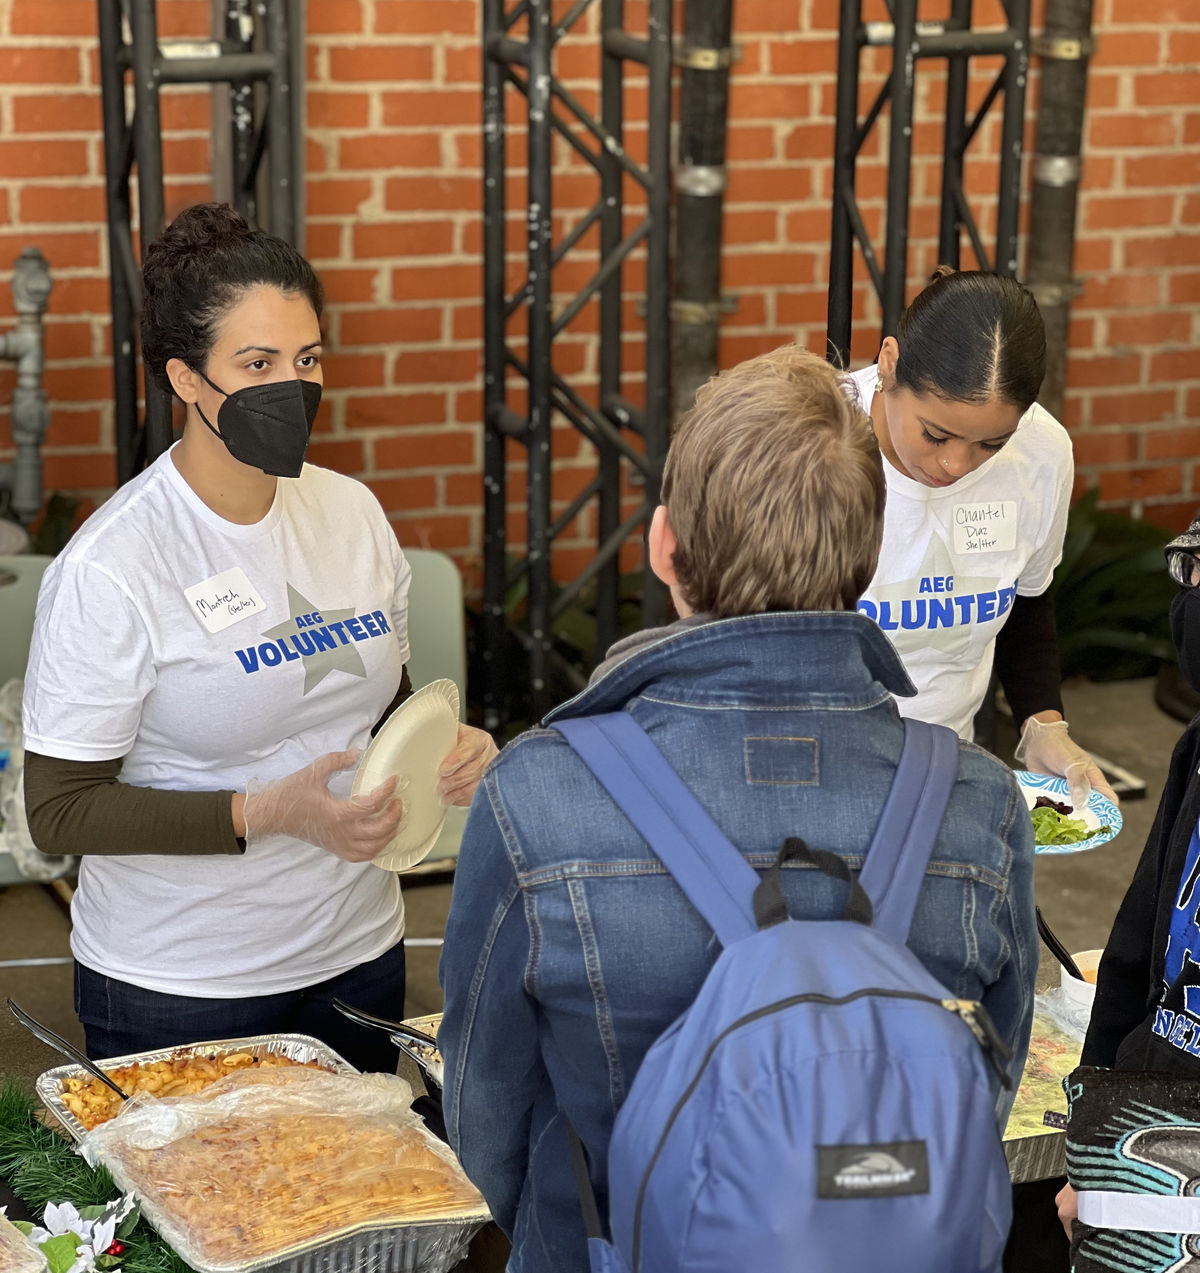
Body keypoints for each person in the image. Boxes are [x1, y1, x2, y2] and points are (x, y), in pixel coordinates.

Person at [438, 345, 1038, 1273]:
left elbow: (487, 1119)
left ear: (664, 546)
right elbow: (981, 1082)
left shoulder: (542, 795)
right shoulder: (978, 799)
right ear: (871, 555)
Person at [21, 203, 496, 1071]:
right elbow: (56, 809)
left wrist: (447, 749)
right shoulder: (116, 564)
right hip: (178, 986)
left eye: (307, 358)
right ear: (186, 379)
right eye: (257, 362)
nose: (293, 384)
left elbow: (384, 704)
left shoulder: (352, 512)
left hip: (356, 954)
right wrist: (267, 811)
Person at [848, 268, 1114, 810]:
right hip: (810, 773)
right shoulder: (810, 441)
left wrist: (1043, 725)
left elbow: (1027, 602)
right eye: (935, 434)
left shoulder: (1042, 454)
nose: (955, 465)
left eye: (992, 443)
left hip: (944, 773)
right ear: (890, 365)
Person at [1055, 519, 1200, 1235]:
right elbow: (1132, 959)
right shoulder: (1197, 750)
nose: (1188, 602)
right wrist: (1095, 1148)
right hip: (1149, 1139)